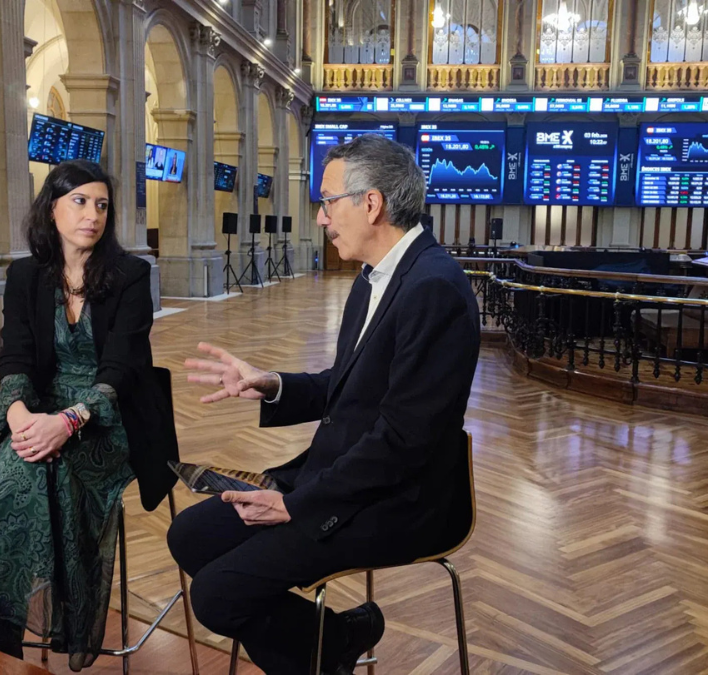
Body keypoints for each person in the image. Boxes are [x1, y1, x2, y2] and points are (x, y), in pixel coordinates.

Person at [168, 134, 481, 675]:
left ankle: (331, 644)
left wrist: (298, 504)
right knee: (189, 535)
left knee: (219, 595)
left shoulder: (436, 289)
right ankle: (334, 641)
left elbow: (404, 441)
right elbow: (350, 382)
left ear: (371, 203)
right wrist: (271, 384)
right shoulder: (373, 277)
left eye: (328, 200)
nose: (320, 216)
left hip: (399, 500)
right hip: (344, 475)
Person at [0, 160, 176, 671]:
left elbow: (122, 367)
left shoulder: (131, 274)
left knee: (39, 464)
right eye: (79, 201)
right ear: (52, 208)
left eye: (101, 205)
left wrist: (66, 421)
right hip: (41, 410)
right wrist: (23, 413)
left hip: (112, 417)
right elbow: (16, 355)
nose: (92, 214)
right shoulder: (26, 274)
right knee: (31, 461)